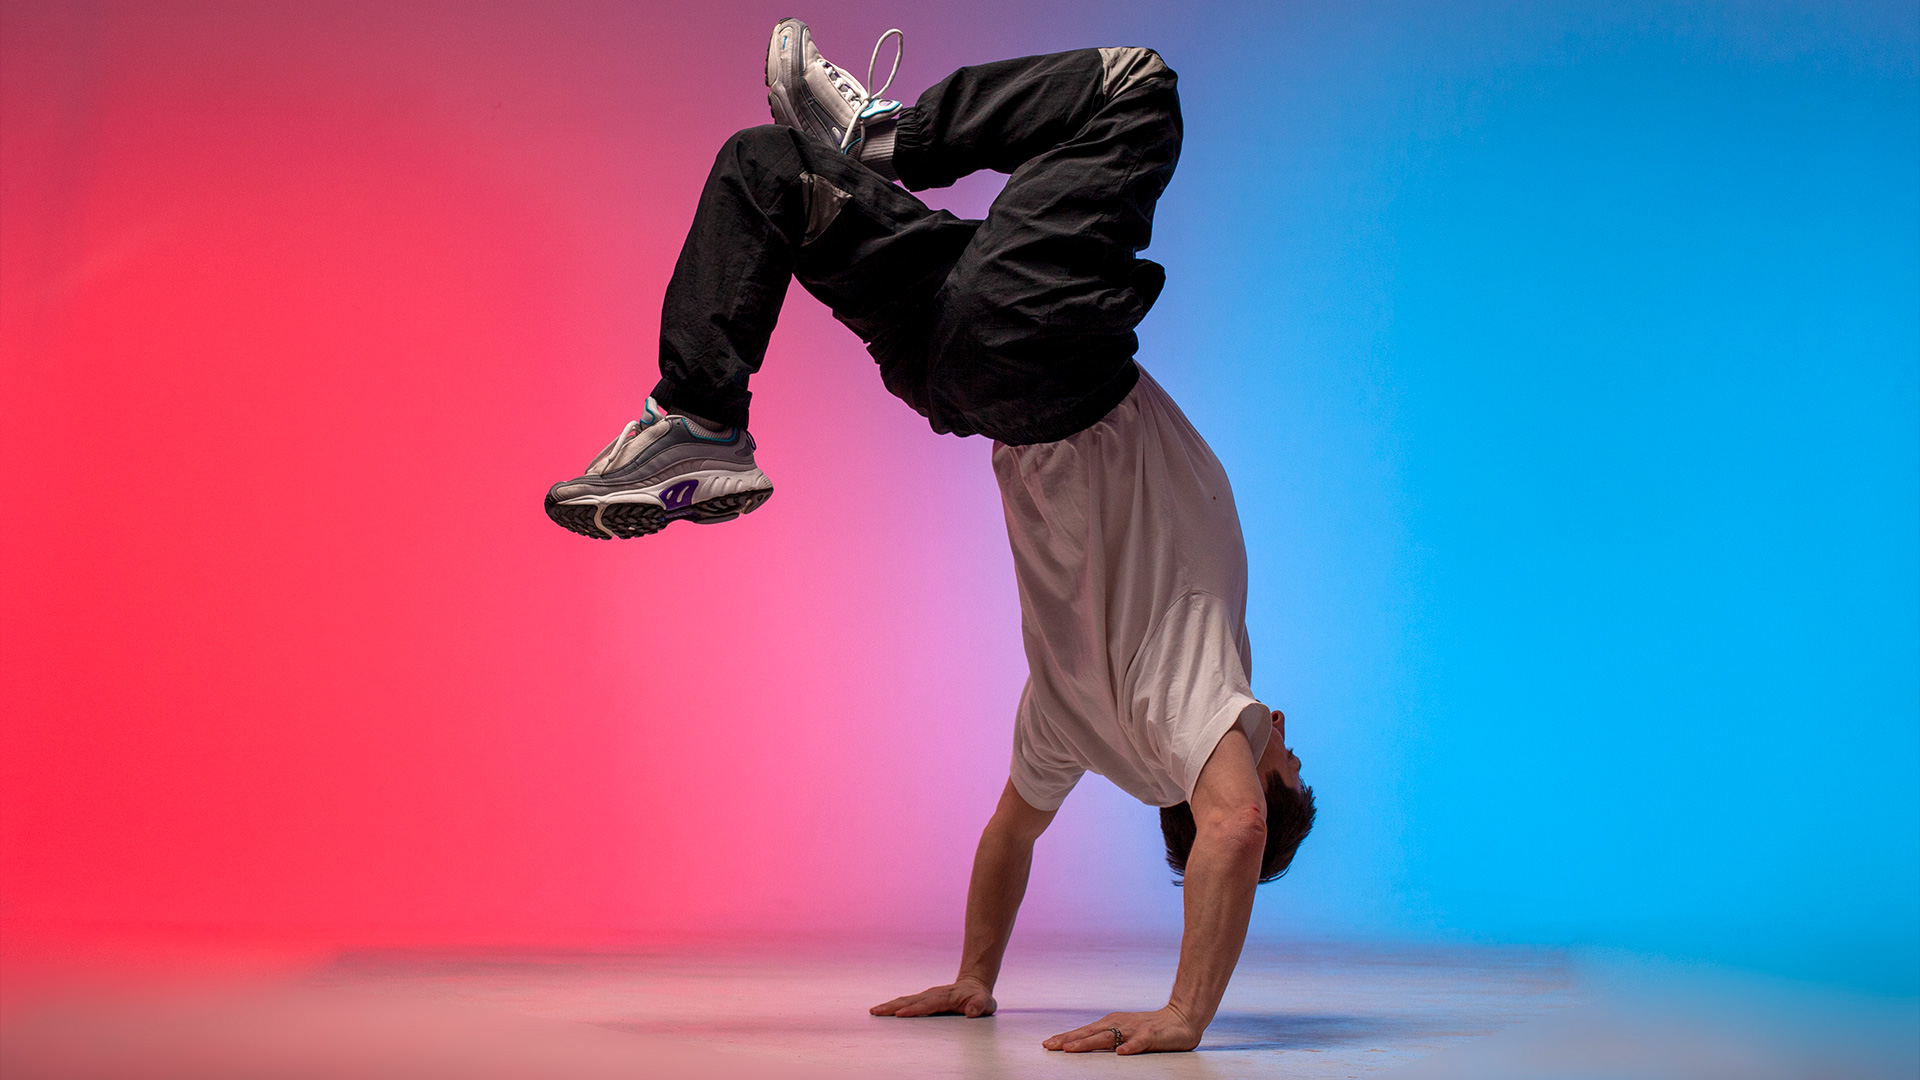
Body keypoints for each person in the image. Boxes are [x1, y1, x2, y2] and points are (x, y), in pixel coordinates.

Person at [544, 19, 1316, 1055]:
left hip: (1043, 350)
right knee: (769, 171)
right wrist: (974, 979)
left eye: (1287, 759)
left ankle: (891, 139)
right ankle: (698, 419)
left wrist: (1186, 1014)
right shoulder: (1074, 727)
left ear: (1250, 773)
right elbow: (1011, 836)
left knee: (1136, 89)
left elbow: (1236, 826)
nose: (1284, 731)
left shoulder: (1191, 703)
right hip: (956, 365)